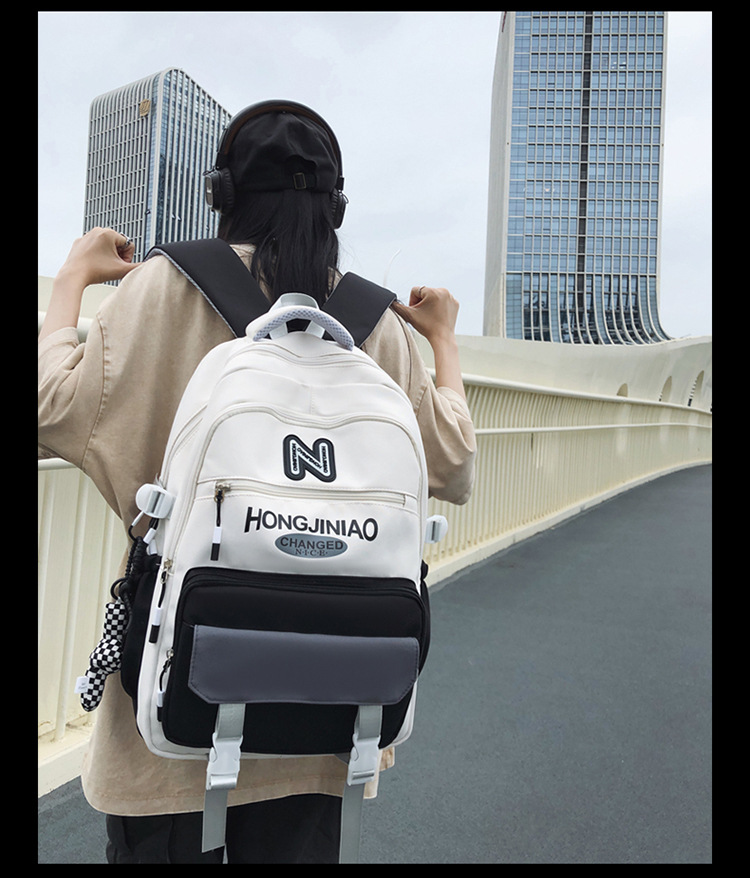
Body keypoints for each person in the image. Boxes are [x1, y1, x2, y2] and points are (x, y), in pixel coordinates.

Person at [38, 101, 476, 863]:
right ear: (337, 208)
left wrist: (73, 278)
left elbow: (52, 405)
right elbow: (453, 463)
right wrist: (441, 340)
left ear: (222, 193)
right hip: (331, 692)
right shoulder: (374, 324)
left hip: (177, 675)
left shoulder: (161, 288)